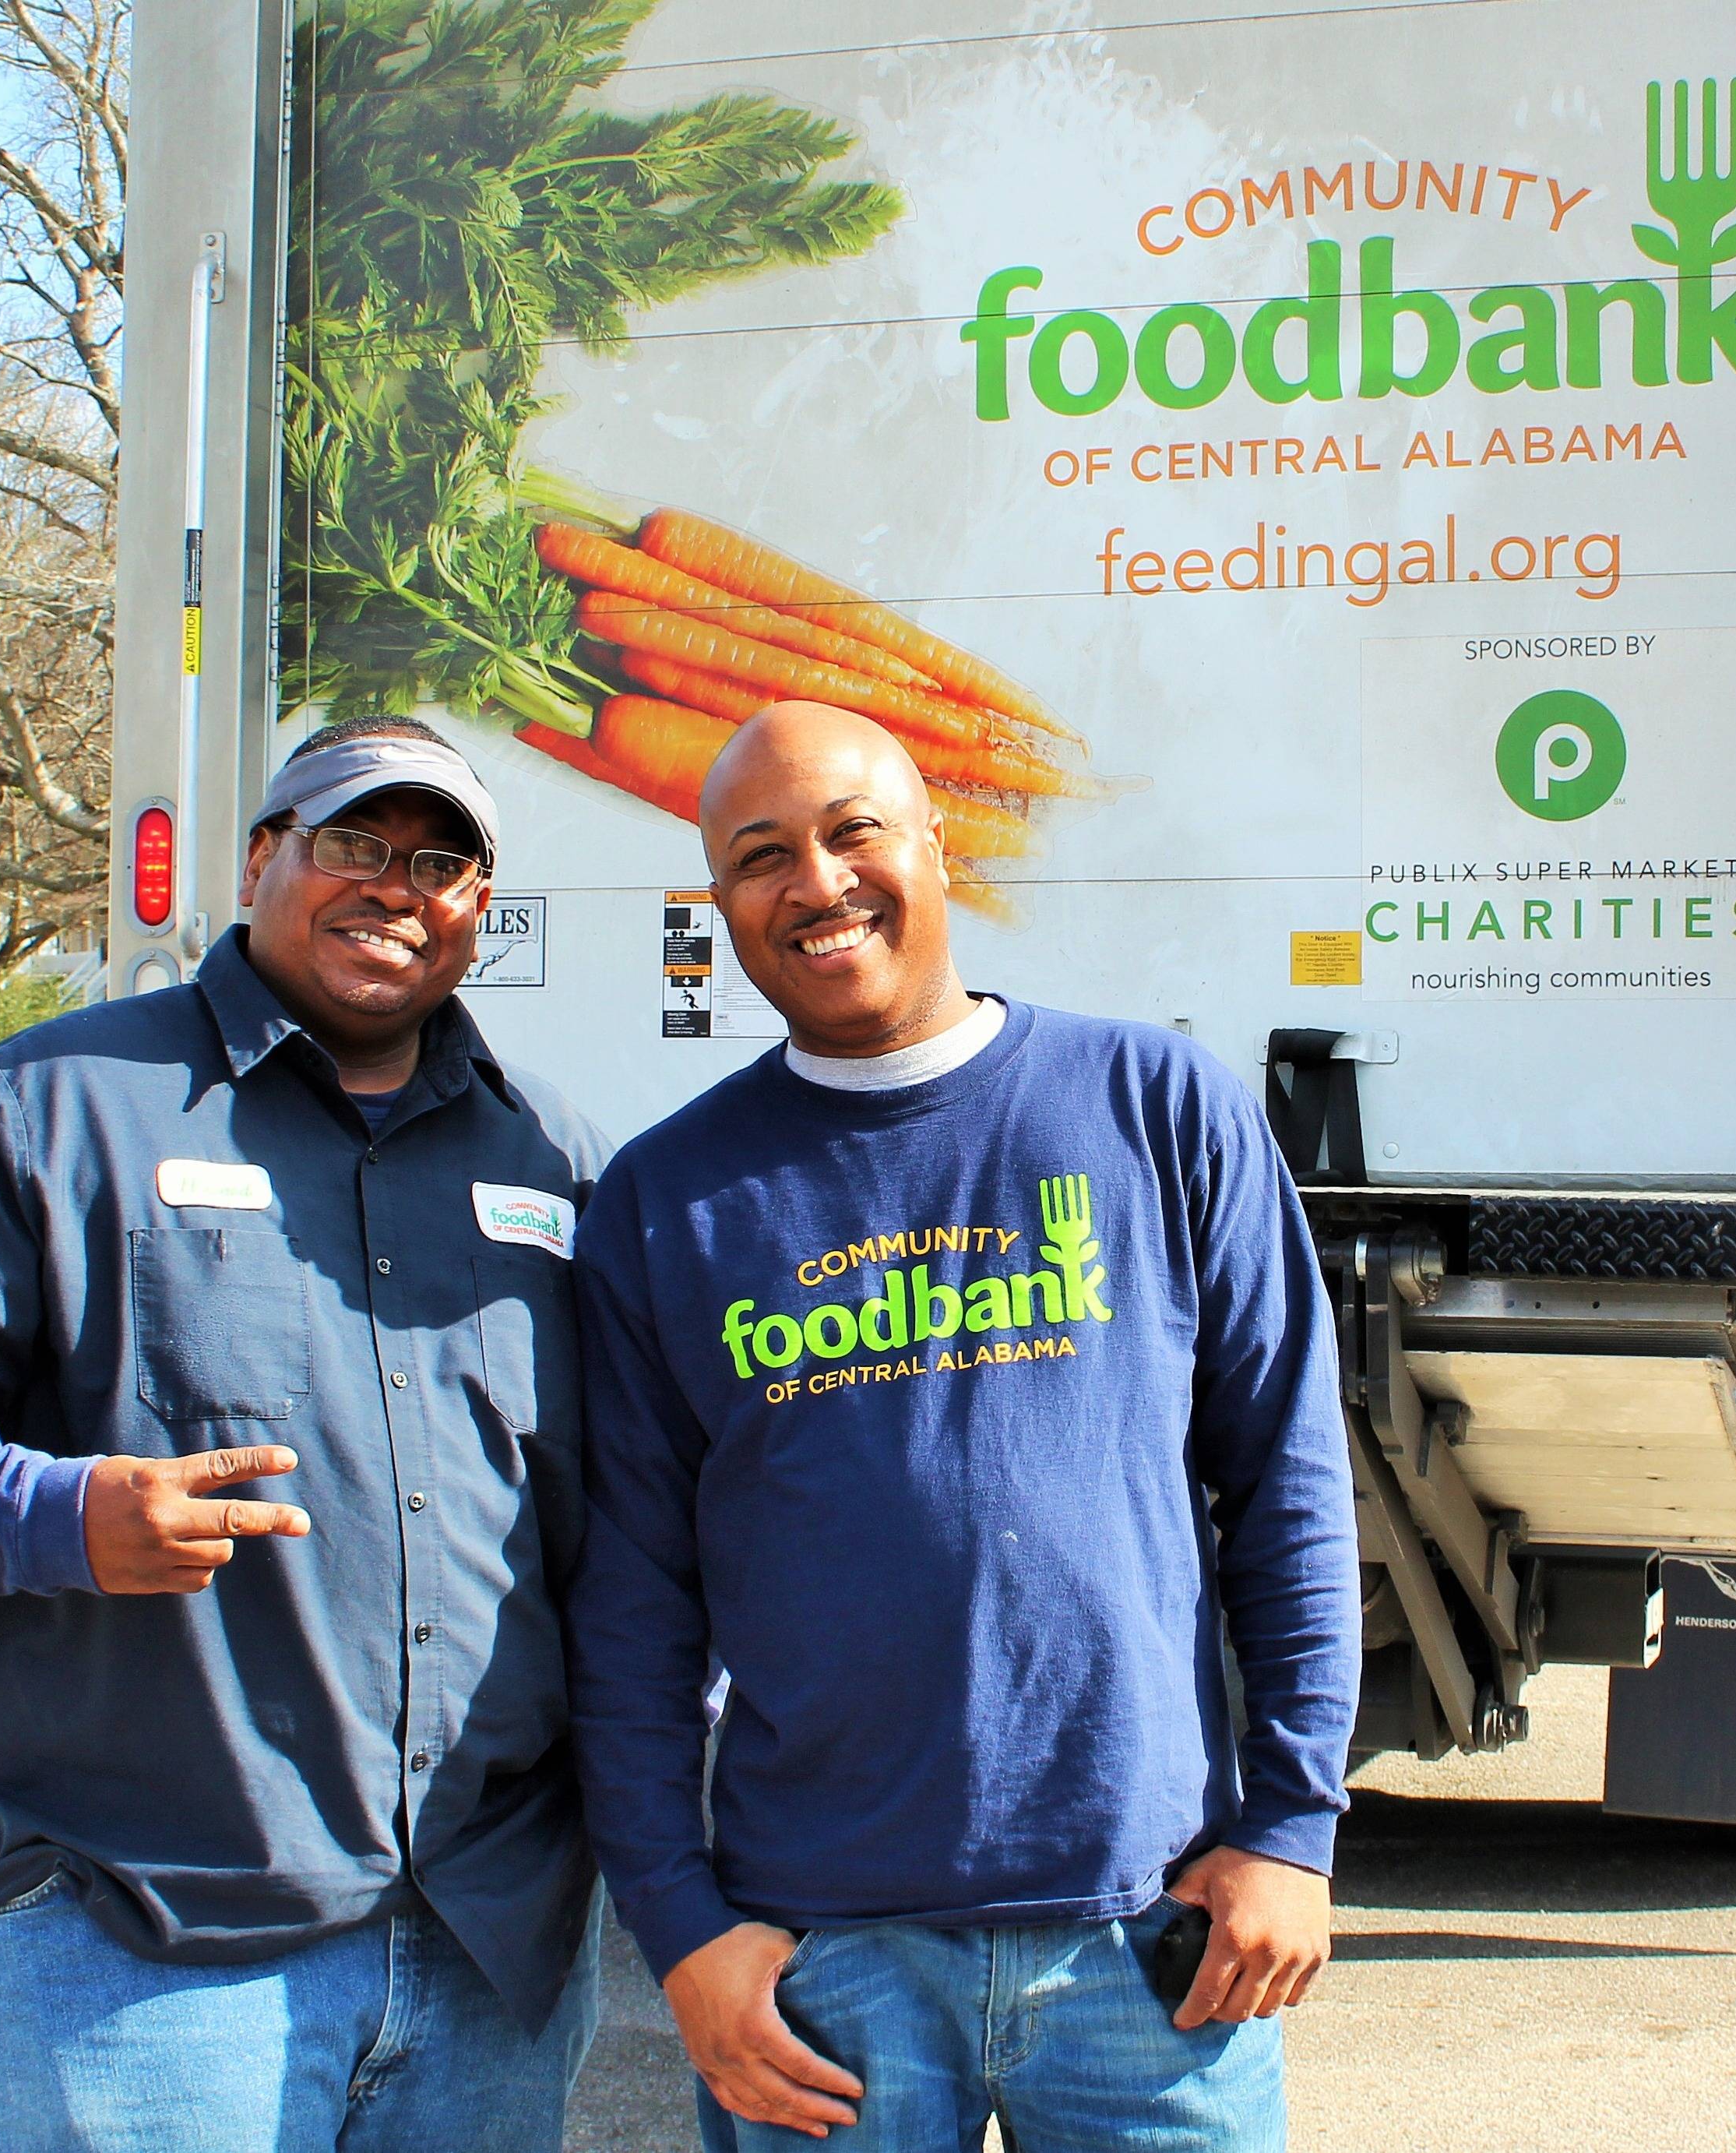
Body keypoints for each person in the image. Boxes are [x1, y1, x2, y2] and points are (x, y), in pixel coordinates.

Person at [0, 717, 604, 2153]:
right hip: (132, 1933)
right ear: (264, 858)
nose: (398, 887)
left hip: (485, 1940)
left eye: (443, 863)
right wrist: (51, 1514)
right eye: (354, 844)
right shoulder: (48, 1107)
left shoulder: (553, 1159)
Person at [563, 703, 1360, 2151]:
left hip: (1147, 1943)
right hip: (824, 1965)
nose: (817, 880)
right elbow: (630, 1603)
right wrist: (681, 1932)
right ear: (723, 902)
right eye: (760, 856)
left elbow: (1290, 1491)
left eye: (854, 829)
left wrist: (1290, 1833)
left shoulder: (1159, 1108)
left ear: (939, 842)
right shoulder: (666, 1203)